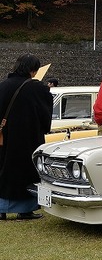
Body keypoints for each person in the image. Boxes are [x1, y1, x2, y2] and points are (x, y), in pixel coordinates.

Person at [0, 53, 53, 220]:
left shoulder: (3, 85)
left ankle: (1, 209)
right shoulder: (37, 88)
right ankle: (25, 210)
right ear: (33, 70)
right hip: (28, 139)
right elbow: (44, 113)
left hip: (4, 139)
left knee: (2, 170)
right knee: (27, 172)